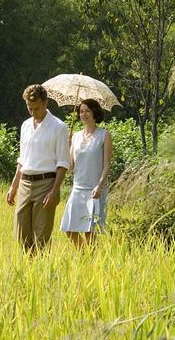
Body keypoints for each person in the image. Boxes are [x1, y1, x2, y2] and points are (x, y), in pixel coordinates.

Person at [6, 84, 70, 253]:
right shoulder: (25, 126)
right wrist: (14, 186)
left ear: (46, 103)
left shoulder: (59, 127)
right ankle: (27, 272)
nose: (33, 112)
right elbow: (22, 159)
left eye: (37, 108)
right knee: (21, 234)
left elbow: (63, 164)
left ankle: (41, 273)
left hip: (46, 184)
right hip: (25, 184)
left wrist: (54, 191)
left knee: (41, 237)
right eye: (29, 108)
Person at [60, 98, 112, 247]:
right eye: (81, 111)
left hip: (95, 190)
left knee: (90, 232)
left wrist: (99, 186)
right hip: (78, 189)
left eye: (87, 111)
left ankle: (92, 262)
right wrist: (67, 146)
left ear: (95, 112)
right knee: (69, 229)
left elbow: (107, 165)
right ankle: (85, 256)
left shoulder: (104, 135)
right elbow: (69, 168)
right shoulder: (75, 136)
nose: (83, 114)